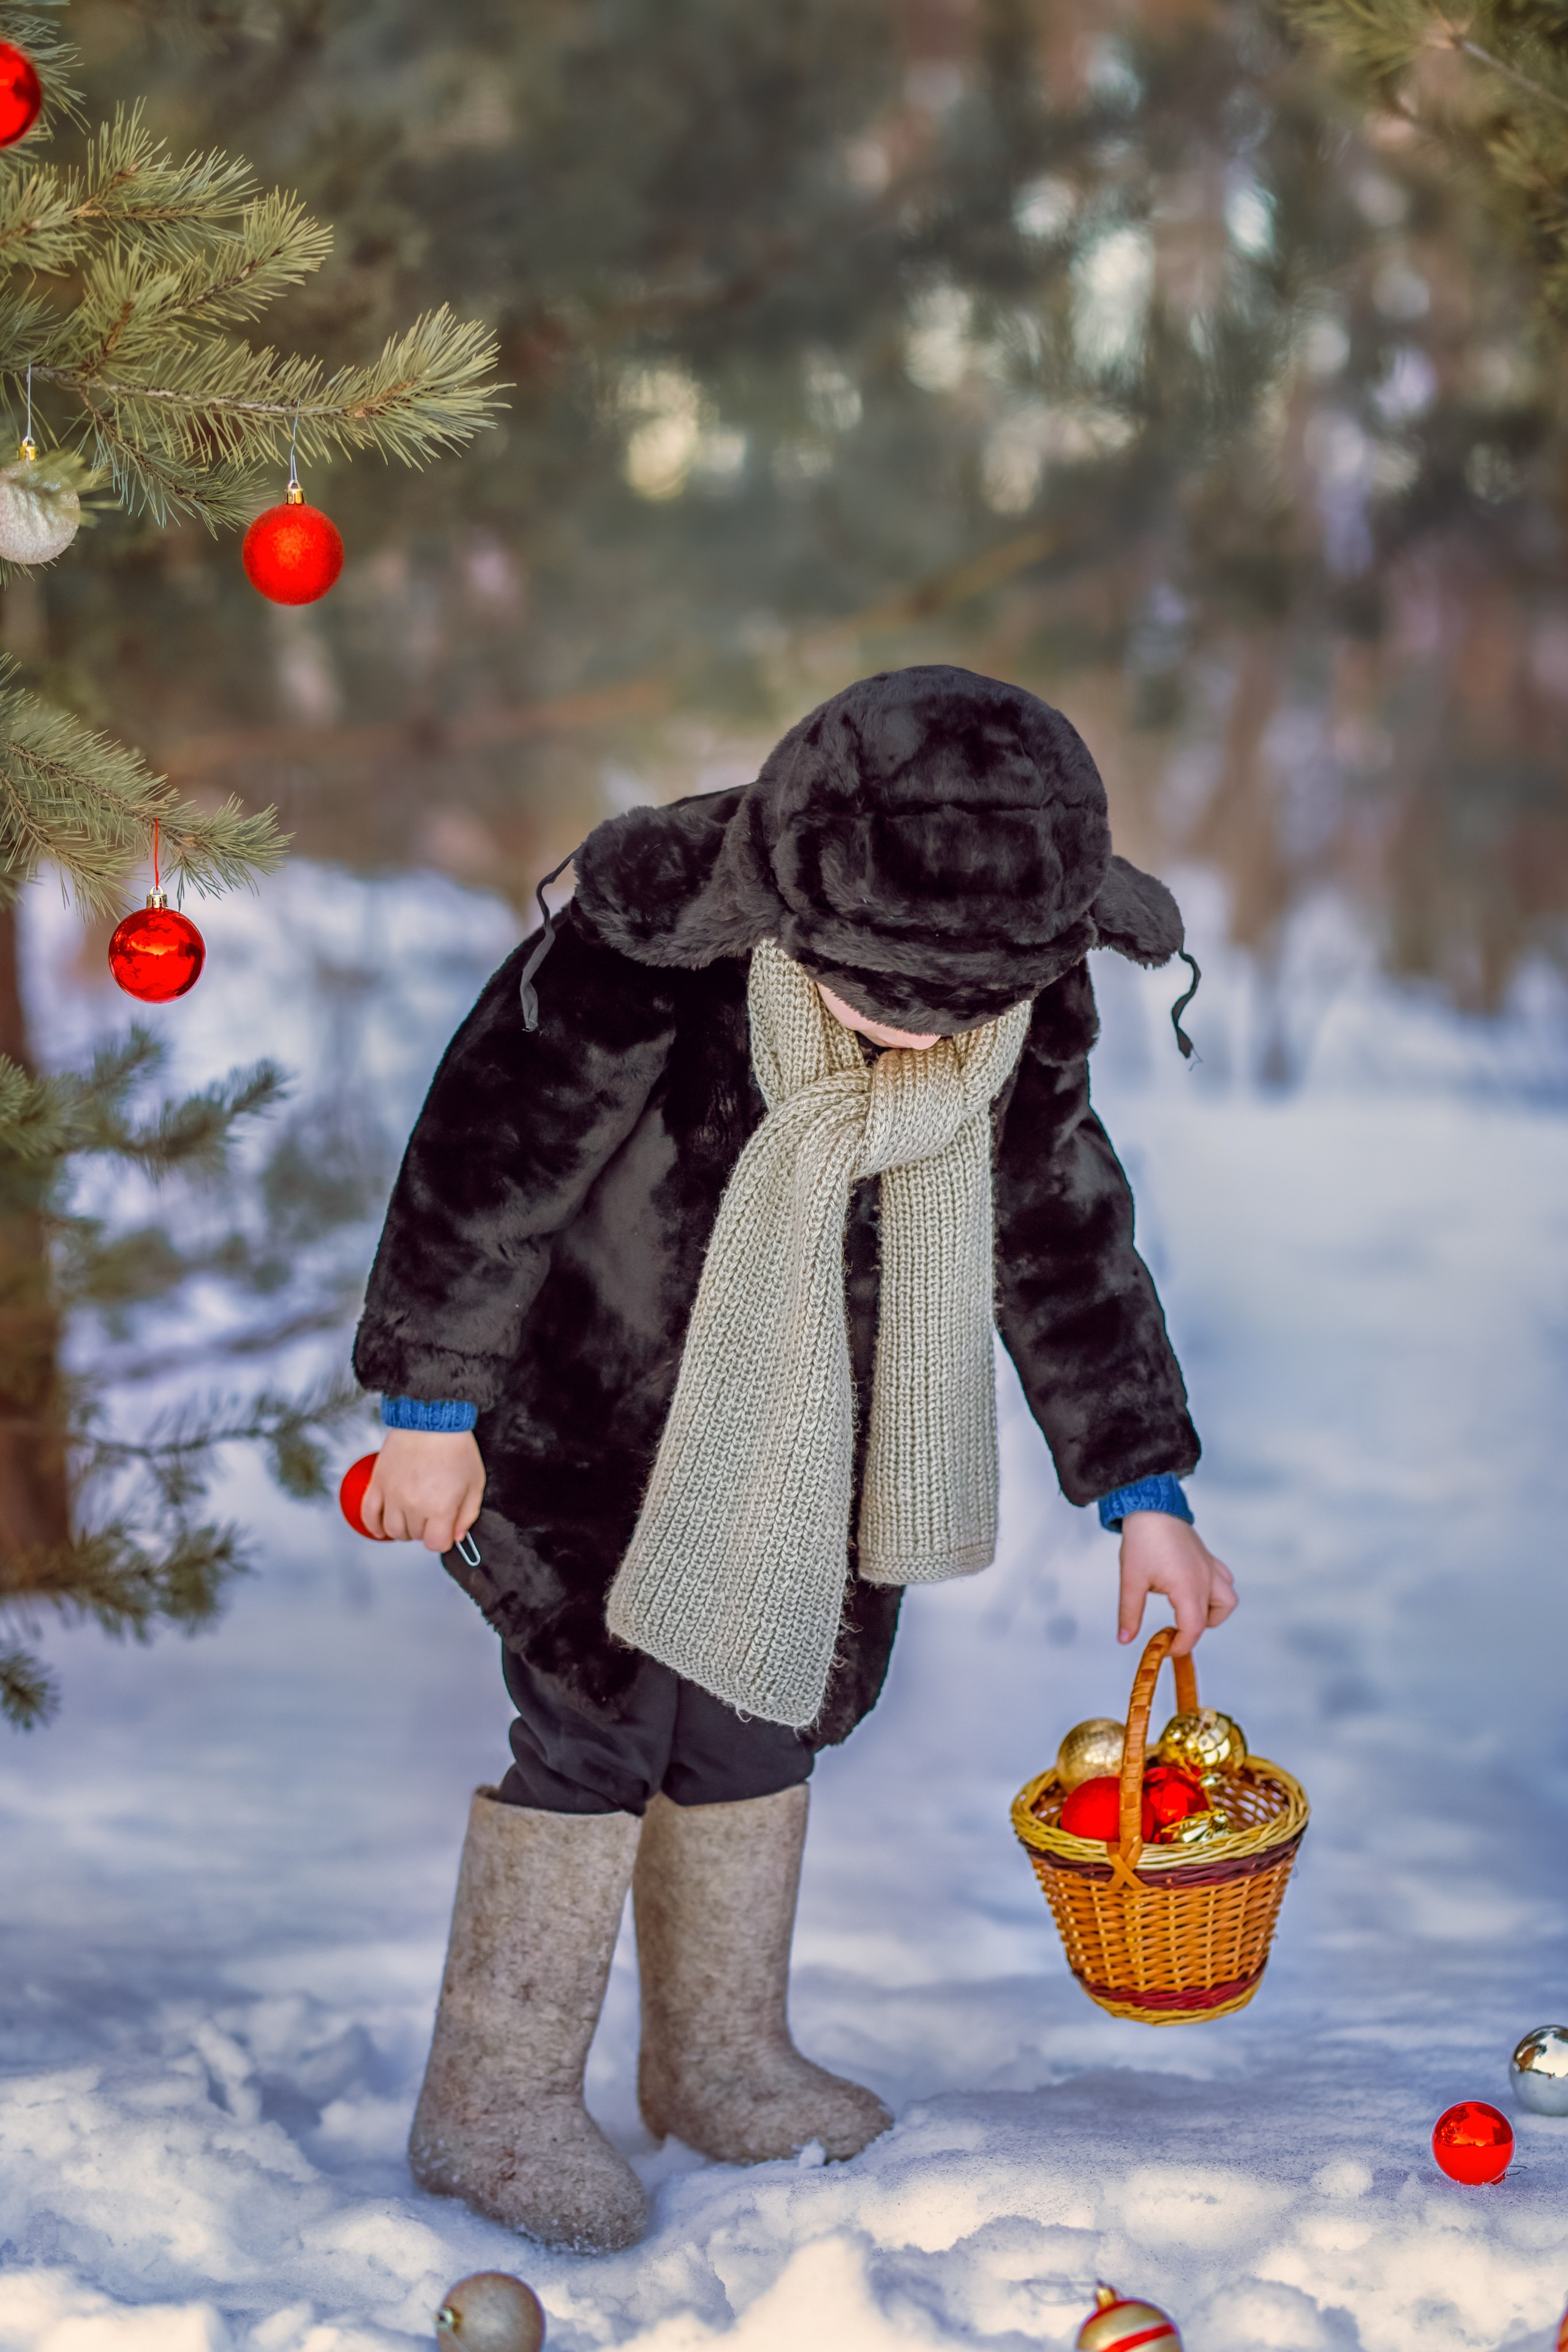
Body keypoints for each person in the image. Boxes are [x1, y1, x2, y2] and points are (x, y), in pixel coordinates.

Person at [352, 663, 1236, 2255]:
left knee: (763, 1720)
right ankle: (490, 2098)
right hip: (589, 1430)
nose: (927, 1032)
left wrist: (1142, 1486)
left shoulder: (1018, 995)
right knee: (596, 1728)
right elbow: (491, 1161)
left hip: (820, 1440)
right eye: (885, 991)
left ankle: (720, 2061)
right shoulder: (645, 946)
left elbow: (1057, 1226)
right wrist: (431, 1407)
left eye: (964, 1004)